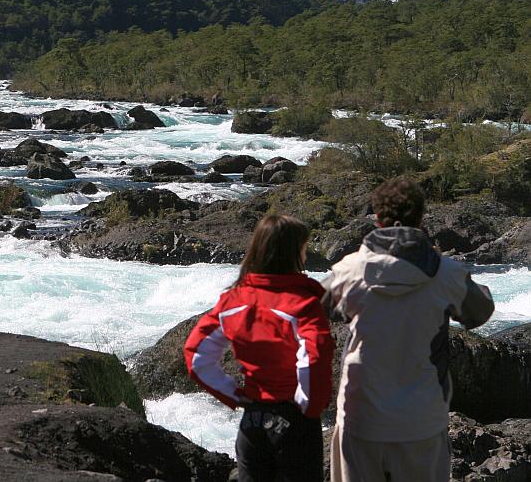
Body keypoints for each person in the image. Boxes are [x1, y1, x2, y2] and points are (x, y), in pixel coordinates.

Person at [322, 176, 494, 482]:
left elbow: (313, 311)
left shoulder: (349, 270)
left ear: (376, 219)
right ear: (421, 217)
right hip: (422, 419)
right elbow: (480, 312)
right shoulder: (445, 273)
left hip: (360, 414)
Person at [184, 214, 335, 482]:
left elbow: (197, 356)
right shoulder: (302, 303)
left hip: (252, 423)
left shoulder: (233, 299)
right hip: (294, 424)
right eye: (303, 247)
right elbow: (314, 356)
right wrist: (308, 407)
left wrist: (233, 394)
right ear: (293, 252)